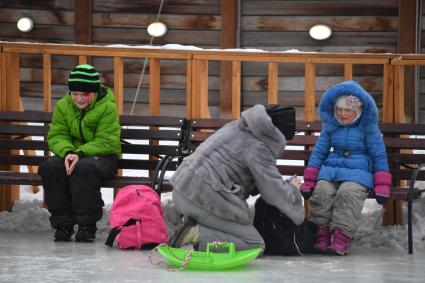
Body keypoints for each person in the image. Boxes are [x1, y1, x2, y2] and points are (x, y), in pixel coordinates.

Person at [168, 104, 305, 252]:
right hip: (202, 200)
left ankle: (175, 221)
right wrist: (293, 191)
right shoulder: (260, 147)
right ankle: (193, 234)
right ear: (276, 135)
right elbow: (273, 191)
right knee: (254, 244)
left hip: (181, 189)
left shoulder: (235, 127)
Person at [300, 80, 391, 255]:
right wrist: (310, 180)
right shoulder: (331, 128)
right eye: (338, 110)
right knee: (322, 191)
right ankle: (321, 233)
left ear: (357, 111)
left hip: (359, 175)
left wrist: (382, 184)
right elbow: (319, 153)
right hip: (332, 171)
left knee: (348, 193)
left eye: (347, 110)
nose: (342, 114)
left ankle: (342, 236)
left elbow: (379, 156)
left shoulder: (368, 129)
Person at [38, 64, 121, 242]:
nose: (79, 99)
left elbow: (107, 140)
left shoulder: (107, 107)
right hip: (71, 154)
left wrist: (80, 154)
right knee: (50, 167)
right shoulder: (63, 105)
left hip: (103, 156)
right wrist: (67, 152)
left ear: (94, 92)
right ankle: (63, 224)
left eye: (84, 94)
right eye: (75, 94)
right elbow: (57, 134)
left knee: (84, 168)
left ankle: (86, 225)